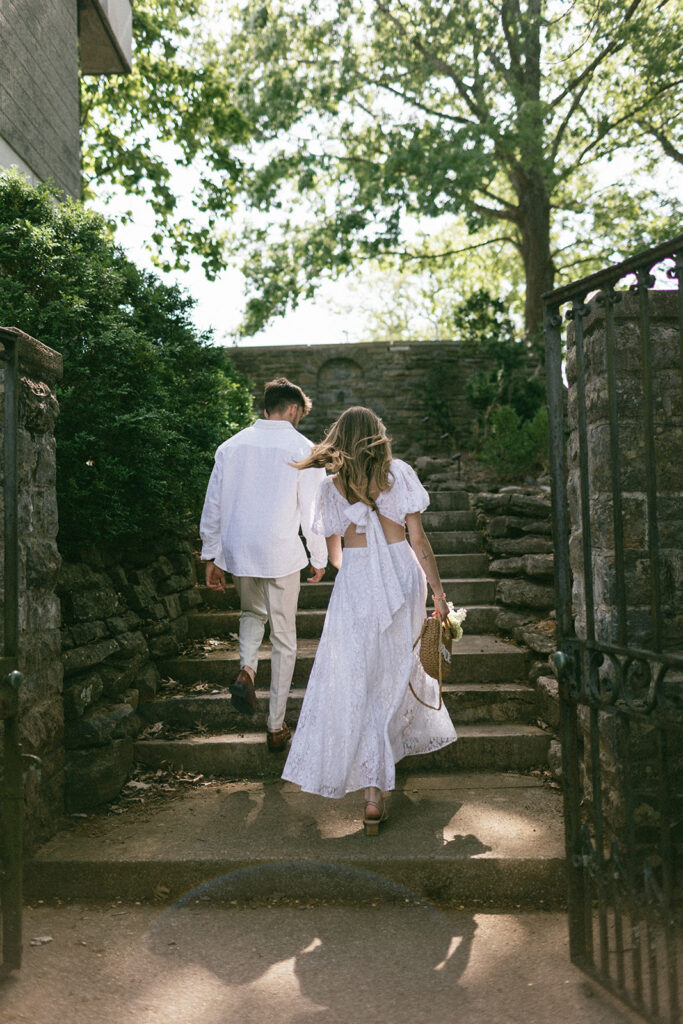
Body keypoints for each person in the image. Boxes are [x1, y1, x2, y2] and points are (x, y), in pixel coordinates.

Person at [282, 406, 457, 833]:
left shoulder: (330, 488)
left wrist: (365, 572)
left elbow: (337, 554)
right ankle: (380, 771)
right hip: (403, 577)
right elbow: (418, 539)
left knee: (359, 677)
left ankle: (371, 795)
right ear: (378, 435)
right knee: (394, 672)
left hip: (357, 582)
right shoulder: (399, 475)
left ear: (338, 440)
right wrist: (438, 593)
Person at [199, 377, 327, 752]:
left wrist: (212, 555)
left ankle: (247, 669)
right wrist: (318, 558)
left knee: (252, 613)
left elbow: (214, 506)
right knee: (285, 638)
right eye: (300, 414)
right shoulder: (305, 449)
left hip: (241, 551)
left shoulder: (231, 447)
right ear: (292, 409)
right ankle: (275, 725)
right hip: (282, 552)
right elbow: (312, 512)